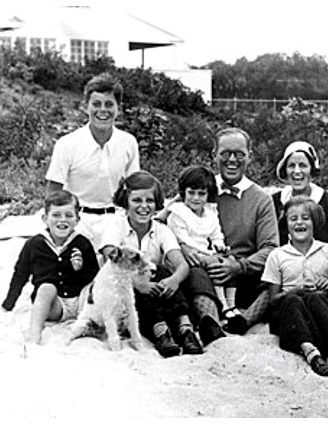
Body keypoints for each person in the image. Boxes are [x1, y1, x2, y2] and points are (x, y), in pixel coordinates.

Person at [177, 127, 279, 341]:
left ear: (249, 157)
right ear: (214, 154)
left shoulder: (261, 199)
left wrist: (239, 267)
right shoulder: (200, 187)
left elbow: (270, 247)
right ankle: (211, 323)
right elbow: (166, 221)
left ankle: (243, 321)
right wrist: (185, 247)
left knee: (275, 279)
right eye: (225, 153)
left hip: (243, 274)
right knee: (196, 275)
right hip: (206, 270)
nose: (232, 159)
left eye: (239, 154)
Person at [99, 171, 203, 357]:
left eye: (150, 201)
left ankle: (185, 328)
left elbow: (182, 265)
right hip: (125, 294)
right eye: (137, 200)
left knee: (162, 270)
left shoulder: (161, 230)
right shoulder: (116, 225)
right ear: (126, 202)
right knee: (137, 278)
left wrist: (174, 280)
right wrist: (140, 284)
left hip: (156, 292)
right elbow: (110, 255)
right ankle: (160, 332)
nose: (144, 207)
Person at [263, 196, 328, 376]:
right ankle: (311, 354)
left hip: (322, 322)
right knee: (294, 299)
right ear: (286, 224)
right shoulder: (277, 255)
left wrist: (327, 287)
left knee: (314, 296)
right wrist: (293, 291)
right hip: (292, 321)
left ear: (315, 222)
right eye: (293, 219)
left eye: (305, 218)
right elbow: (272, 301)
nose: (299, 223)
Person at [45, 72, 140, 249]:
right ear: (86, 106)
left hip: (115, 218)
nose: (102, 110)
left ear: (118, 107)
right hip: (78, 220)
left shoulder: (128, 142)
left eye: (109, 104)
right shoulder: (67, 143)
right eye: (96, 104)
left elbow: (134, 187)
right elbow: (53, 192)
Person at [1, 190, 99, 345]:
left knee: (95, 286)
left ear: (77, 219)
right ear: (45, 219)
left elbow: (94, 275)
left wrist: (80, 268)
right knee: (46, 288)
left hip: (81, 303)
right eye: (56, 215)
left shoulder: (82, 243)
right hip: (55, 306)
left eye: (68, 215)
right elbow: (20, 274)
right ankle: (34, 336)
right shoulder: (34, 244)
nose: (62, 220)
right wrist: (9, 303)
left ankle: (93, 325)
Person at [166, 165, 245, 332]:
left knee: (228, 262)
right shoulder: (178, 213)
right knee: (213, 265)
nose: (196, 198)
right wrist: (207, 256)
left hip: (206, 252)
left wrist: (220, 248)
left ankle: (231, 304)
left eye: (201, 194)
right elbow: (182, 240)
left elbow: (217, 234)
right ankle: (222, 306)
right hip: (186, 255)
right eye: (191, 192)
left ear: (208, 194)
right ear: (183, 192)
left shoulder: (210, 213)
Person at [272, 141, 328, 249]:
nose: (297, 171)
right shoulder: (276, 201)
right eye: (291, 166)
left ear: (311, 170)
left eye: (303, 165)